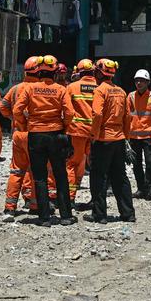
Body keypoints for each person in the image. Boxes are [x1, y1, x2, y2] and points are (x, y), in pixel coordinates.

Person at [18, 55, 76, 226]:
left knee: (40, 177)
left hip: (36, 135)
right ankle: (65, 216)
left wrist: (25, 125)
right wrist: (64, 127)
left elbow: (17, 110)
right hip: (56, 135)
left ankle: (44, 218)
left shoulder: (30, 89)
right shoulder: (61, 89)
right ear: (55, 72)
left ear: (39, 71)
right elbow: (70, 113)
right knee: (60, 175)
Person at [87, 58, 135, 224]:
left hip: (103, 140)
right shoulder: (121, 91)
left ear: (99, 72)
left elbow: (97, 114)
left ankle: (99, 215)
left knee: (99, 177)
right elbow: (128, 117)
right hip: (119, 139)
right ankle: (128, 213)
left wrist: (94, 135)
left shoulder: (100, 90)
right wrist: (126, 137)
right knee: (120, 177)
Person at [0, 57, 37, 215]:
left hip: (17, 134)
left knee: (16, 170)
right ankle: (33, 205)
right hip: (35, 134)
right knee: (36, 170)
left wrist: (13, 119)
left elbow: (3, 106)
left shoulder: (16, 88)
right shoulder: (39, 88)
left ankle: (10, 207)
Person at [64, 59, 97, 206]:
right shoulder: (99, 87)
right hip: (95, 133)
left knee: (72, 164)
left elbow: (67, 111)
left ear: (80, 72)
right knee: (86, 164)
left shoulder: (72, 87)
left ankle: (70, 197)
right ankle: (94, 199)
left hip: (77, 131)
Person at [127, 69, 151, 201]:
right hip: (134, 137)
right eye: (137, 80)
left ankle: (150, 189)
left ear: (148, 82)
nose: (139, 83)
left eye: (142, 81)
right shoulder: (130, 96)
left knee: (150, 163)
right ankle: (141, 188)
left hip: (148, 137)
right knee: (136, 164)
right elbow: (126, 117)